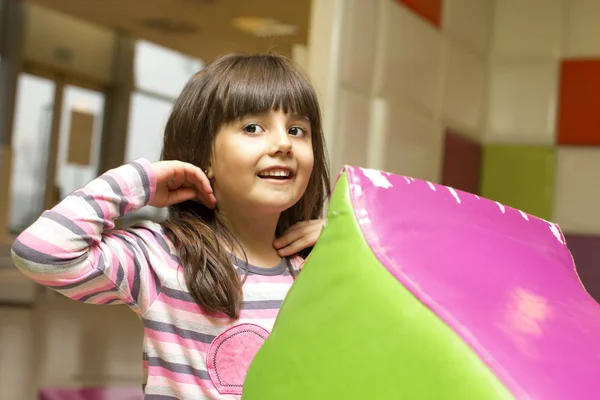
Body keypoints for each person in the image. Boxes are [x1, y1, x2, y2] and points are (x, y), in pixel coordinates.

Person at [11, 53, 330, 399]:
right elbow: (41, 252)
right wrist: (141, 181)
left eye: (297, 130)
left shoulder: (315, 266)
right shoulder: (164, 256)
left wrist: (346, 246)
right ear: (204, 155)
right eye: (253, 127)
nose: (283, 144)